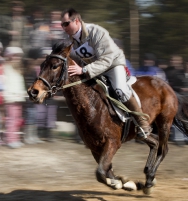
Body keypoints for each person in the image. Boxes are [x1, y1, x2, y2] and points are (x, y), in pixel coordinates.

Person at [61, 8, 151, 140]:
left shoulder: (96, 32)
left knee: (120, 89)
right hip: (94, 68)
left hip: (113, 65)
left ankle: (143, 123)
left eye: (66, 24)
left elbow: (107, 59)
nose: (63, 27)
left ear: (77, 21)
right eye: (62, 25)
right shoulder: (71, 40)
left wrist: (84, 70)